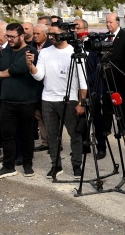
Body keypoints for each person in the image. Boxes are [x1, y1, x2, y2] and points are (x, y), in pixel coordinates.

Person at [0, 23, 42, 179]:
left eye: (12, 37)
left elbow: (19, 69)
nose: (9, 39)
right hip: (7, 102)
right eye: (7, 36)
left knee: (27, 135)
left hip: (26, 101)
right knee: (7, 135)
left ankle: (27, 164)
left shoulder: (30, 51)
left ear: (22, 36)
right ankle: (8, 166)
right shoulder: (4, 52)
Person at [33, 23, 88, 179]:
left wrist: (81, 102)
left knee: (74, 134)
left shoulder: (75, 52)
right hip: (48, 99)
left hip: (69, 100)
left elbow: (82, 80)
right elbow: (39, 76)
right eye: (49, 33)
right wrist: (31, 66)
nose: (51, 36)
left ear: (64, 34)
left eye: (54, 34)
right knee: (52, 135)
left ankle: (77, 165)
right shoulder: (44, 52)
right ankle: (56, 165)